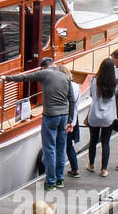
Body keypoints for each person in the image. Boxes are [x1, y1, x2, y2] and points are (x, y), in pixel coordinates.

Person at [5, 57, 76, 190]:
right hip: (64, 116)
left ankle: (50, 182)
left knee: (49, 149)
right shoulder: (65, 76)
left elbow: (24, 78)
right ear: (53, 65)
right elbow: (71, 100)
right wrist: (71, 120)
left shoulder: (44, 73)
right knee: (61, 148)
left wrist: (6, 78)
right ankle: (60, 180)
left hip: (50, 116)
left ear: (43, 67)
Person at [85, 57, 118, 176]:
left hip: (94, 115)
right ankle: (104, 169)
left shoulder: (94, 80)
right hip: (108, 117)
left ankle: (91, 164)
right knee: (105, 142)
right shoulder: (115, 82)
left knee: (93, 140)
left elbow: (91, 95)